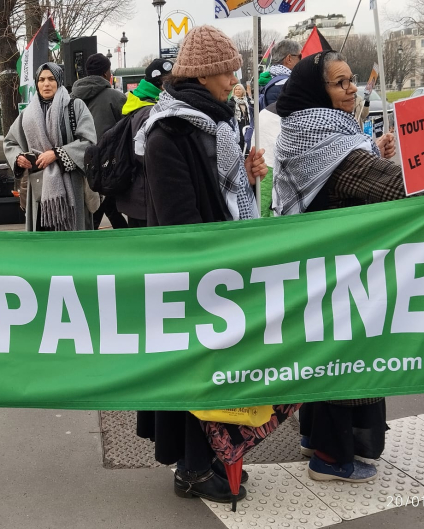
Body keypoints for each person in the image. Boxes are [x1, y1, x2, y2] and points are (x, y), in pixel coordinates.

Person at [273, 51, 424, 482]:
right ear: (315, 91)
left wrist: (373, 150)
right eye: (340, 83)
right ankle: (332, 458)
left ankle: (315, 439)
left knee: (322, 357)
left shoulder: (305, 131)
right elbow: (392, 185)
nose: (352, 89)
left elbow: (347, 176)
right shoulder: (333, 146)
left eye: (352, 79)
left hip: (322, 268)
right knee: (346, 363)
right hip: (346, 275)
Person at [134, 25, 272, 504]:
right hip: (191, 273)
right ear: (204, 74)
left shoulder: (217, 121)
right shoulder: (168, 131)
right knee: (197, 370)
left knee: (217, 371)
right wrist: (212, 260)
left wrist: (246, 178)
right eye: (228, 71)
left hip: (220, 268)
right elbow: (179, 218)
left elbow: (221, 191)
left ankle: (211, 458)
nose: (235, 80)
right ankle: (191, 468)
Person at [4, 62, 98, 231]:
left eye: (51, 79)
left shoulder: (75, 106)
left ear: (59, 81)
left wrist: (57, 154)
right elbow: (10, 142)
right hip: (39, 190)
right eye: (41, 80)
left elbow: (89, 142)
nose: (46, 84)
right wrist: (18, 158)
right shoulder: (28, 114)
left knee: (71, 238)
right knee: (42, 238)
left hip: (72, 187)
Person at [70, 53, 129, 230]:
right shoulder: (116, 98)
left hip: (79, 163)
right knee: (105, 209)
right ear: (105, 73)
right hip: (109, 166)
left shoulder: (71, 98)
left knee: (98, 210)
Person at [114, 58, 173, 227]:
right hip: (146, 198)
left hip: (136, 195)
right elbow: (148, 155)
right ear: (162, 85)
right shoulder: (151, 111)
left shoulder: (136, 103)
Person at [259, 40, 302, 107]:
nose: (302, 60)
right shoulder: (287, 84)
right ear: (289, 59)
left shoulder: (270, 78)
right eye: (300, 56)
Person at [228, 83, 252, 151]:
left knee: (248, 139)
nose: (237, 91)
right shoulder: (231, 102)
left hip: (248, 123)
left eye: (239, 89)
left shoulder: (248, 101)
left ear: (243, 91)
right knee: (240, 141)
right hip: (238, 124)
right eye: (236, 89)